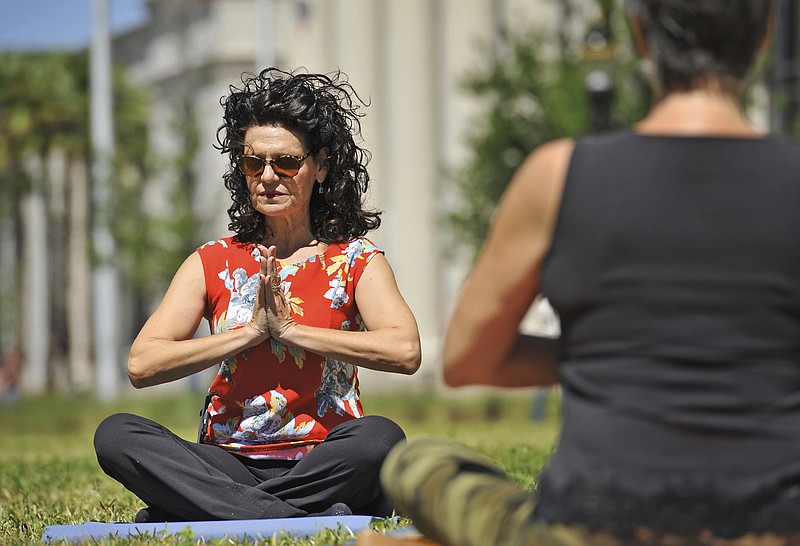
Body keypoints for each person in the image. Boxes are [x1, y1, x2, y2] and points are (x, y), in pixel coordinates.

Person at [371, 1, 800, 544]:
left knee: (419, 463)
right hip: (773, 528)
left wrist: (605, 355)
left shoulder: (559, 176)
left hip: (595, 528)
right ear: (766, 35)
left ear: (640, 36)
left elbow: (465, 358)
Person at [94, 68, 421, 523]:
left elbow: (405, 351)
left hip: (323, 460)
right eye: (254, 163)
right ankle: (301, 515)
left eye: (286, 162)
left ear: (321, 165)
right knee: (116, 435)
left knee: (381, 438)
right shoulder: (212, 260)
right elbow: (142, 364)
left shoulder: (355, 260)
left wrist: (291, 330)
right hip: (229, 462)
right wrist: (250, 333)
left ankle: (211, 510)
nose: (268, 176)